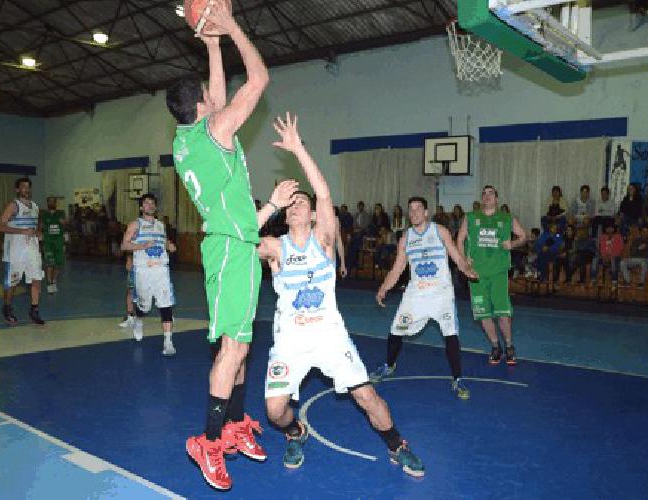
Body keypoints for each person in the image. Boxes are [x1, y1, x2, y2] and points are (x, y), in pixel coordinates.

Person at [166, 3, 297, 489]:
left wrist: (212, 42)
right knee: (235, 347)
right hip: (228, 250)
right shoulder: (215, 131)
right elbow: (258, 79)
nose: (213, 97)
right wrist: (231, 24)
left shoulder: (189, 139)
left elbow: (218, 96)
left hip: (236, 242)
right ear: (201, 105)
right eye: (207, 95)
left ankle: (236, 424)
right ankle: (208, 438)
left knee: (239, 347)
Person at [256, 113, 425, 477]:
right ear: (286, 215)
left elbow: (325, 192)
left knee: (367, 396)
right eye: (293, 202)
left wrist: (298, 148)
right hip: (290, 342)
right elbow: (237, 237)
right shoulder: (274, 247)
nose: (300, 203)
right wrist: (270, 203)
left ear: (314, 213)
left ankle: (398, 445)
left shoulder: (324, 240)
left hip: (330, 337)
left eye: (304, 200)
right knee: (274, 410)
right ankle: (294, 432)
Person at [372, 196, 478, 399]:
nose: (414, 213)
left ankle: (457, 379)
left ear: (426, 212)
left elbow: (457, 257)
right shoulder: (405, 238)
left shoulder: (440, 231)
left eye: (418, 209)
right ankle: (389, 365)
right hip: (416, 296)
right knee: (396, 330)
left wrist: (467, 270)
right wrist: (383, 288)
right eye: (410, 210)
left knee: (451, 333)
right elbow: (397, 269)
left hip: (441, 295)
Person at [457, 186, 528, 365]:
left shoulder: (506, 218)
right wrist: (464, 262)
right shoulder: (471, 217)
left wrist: (512, 244)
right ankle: (496, 346)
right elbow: (459, 240)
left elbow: (524, 236)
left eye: (491, 193)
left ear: (497, 199)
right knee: (483, 314)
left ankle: (510, 346)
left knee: (503, 314)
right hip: (476, 274)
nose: (487, 196)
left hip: (498, 273)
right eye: (484, 193)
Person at [119, 194, 179, 356]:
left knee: (166, 305)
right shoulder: (135, 224)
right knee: (144, 306)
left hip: (161, 270)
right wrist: (143, 245)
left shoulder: (160, 225)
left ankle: (168, 342)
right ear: (141, 207)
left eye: (152, 203)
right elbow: (124, 245)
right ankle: (138, 320)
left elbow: (163, 241)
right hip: (143, 270)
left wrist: (169, 245)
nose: (150, 205)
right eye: (146, 203)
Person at [0, 177, 45, 325]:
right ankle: (7, 307)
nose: (26, 189)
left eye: (28, 187)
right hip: (15, 251)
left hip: (33, 249)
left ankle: (34, 309)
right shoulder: (13, 206)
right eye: (23, 187)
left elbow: (35, 226)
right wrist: (21, 231)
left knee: (36, 278)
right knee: (13, 282)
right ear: (17, 189)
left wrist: (38, 232)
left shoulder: (35, 206)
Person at [41, 197, 67, 294]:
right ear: (47, 203)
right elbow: (41, 227)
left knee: (58, 264)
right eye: (49, 201)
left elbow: (65, 224)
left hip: (59, 242)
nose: (51, 203)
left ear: (55, 203)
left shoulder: (61, 213)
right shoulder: (44, 214)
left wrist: (63, 222)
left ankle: (54, 279)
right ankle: (49, 283)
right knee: (49, 264)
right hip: (48, 243)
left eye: (53, 201)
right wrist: (42, 242)